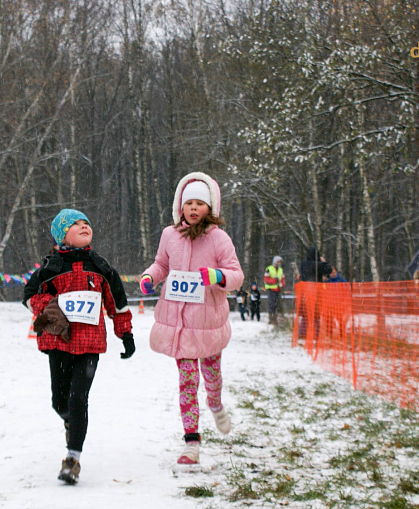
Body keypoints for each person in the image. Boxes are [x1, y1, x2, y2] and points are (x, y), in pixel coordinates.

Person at [23, 209, 135, 485]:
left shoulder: (101, 267)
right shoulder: (50, 268)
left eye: (86, 223)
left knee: (77, 398)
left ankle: (72, 459)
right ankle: (71, 422)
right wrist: (47, 307)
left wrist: (126, 334)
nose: (84, 226)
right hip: (58, 342)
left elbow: (117, 304)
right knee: (59, 401)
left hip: (89, 345)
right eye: (75, 224)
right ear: (62, 235)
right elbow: (29, 296)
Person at [139, 172, 244, 465]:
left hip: (208, 326)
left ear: (210, 208)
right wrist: (150, 277)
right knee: (187, 382)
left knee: (211, 379)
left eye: (200, 203)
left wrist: (217, 275)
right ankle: (191, 442)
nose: (194, 208)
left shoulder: (218, 238)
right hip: (180, 327)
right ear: (180, 207)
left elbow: (237, 275)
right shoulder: (169, 235)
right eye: (189, 203)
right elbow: (161, 264)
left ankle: (216, 403)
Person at [264, 256, 285, 324]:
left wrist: (282, 284)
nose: (279, 263)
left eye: (280, 262)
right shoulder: (269, 269)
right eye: (278, 262)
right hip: (271, 289)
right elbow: (266, 279)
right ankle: (271, 319)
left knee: (279, 304)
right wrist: (274, 281)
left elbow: (282, 279)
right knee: (272, 304)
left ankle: (279, 319)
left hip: (278, 290)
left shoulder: (281, 270)